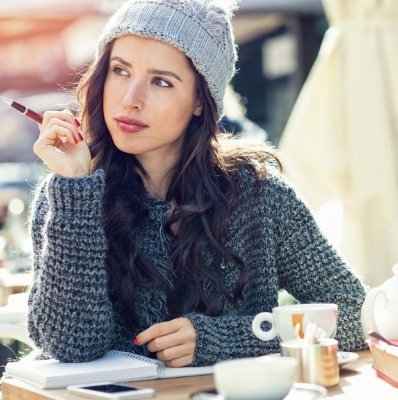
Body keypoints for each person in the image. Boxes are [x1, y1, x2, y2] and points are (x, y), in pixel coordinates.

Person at [27, 0, 367, 367]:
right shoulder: (69, 192)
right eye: (120, 71)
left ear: (200, 102)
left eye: (161, 81)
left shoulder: (259, 195)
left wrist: (230, 339)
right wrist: (76, 190)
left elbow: (353, 311)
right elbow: (71, 346)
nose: (130, 100)